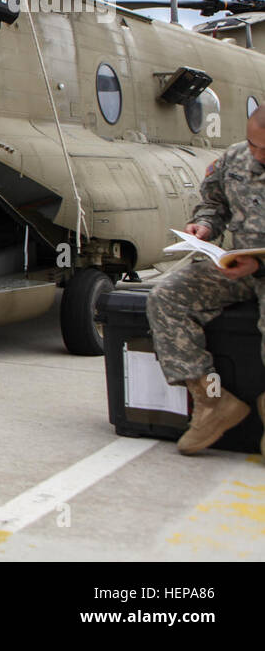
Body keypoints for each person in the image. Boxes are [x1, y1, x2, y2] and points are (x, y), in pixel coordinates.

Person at [146, 110, 265, 454]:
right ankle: (213, 401)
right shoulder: (237, 158)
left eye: (264, 150)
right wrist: (205, 225)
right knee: (166, 296)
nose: (256, 156)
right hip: (238, 267)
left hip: (254, 267)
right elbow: (215, 202)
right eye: (253, 144)